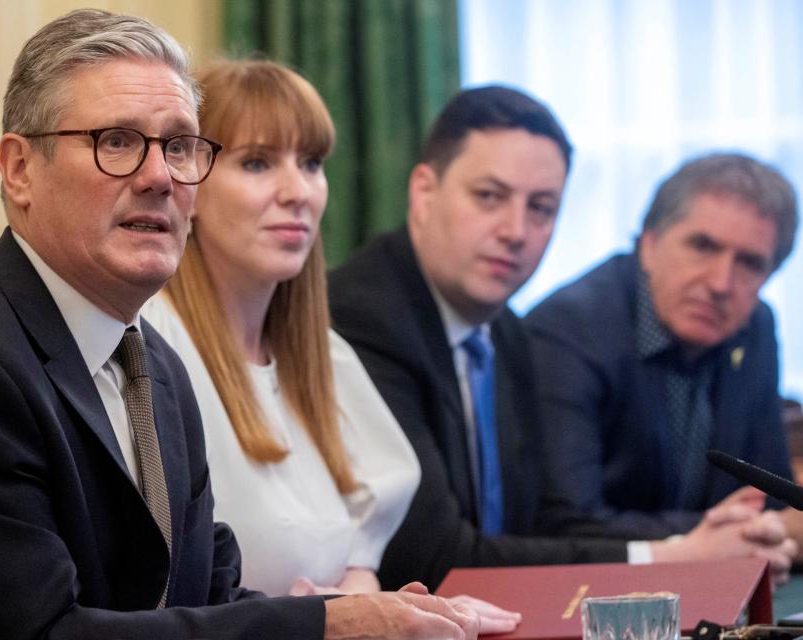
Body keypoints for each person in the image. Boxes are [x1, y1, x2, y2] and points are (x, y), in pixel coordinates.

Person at [0, 10, 487, 639]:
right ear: (19, 169)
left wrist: (388, 620)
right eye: (115, 141)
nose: (159, 177)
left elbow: (207, 597)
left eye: (179, 146)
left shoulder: (153, 363)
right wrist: (327, 625)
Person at [328, 86, 797, 592]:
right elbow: (439, 557)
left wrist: (755, 532)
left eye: (542, 208)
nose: (515, 230)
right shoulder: (368, 317)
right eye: (489, 196)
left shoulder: (500, 329)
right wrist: (681, 551)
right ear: (423, 192)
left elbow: (522, 523)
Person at [141, 58, 521, 633]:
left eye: (312, 163)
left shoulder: (327, 358)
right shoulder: (150, 349)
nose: (298, 192)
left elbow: (361, 556)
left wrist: (365, 599)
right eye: (257, 162)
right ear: (190, 179)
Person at [525, 153, 801, 542]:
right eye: (703, 246)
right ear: (649, 245)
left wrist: (774, 525)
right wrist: (730, 536)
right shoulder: (568, 330)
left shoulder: (754, 325)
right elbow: (566, 523)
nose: (721, 283)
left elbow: (771, 494)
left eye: (750, 263)